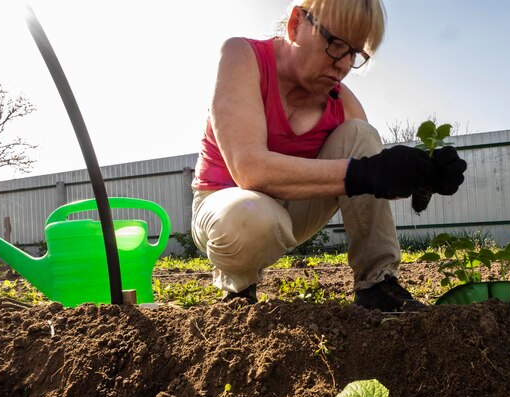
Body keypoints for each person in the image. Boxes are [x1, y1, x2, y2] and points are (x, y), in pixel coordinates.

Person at [191, 0, 466, 312]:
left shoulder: (343, 105)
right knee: (249, 217)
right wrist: (369, 172)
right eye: (336, 44)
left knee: (361, 133)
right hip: (225, 205)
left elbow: (370, 184)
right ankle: (238, 290)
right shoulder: (242, 57)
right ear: (296, 24)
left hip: (294, 209)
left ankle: (377, 283)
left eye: (355, 53)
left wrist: (420, 179)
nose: (344, 65)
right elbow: (249, 169)